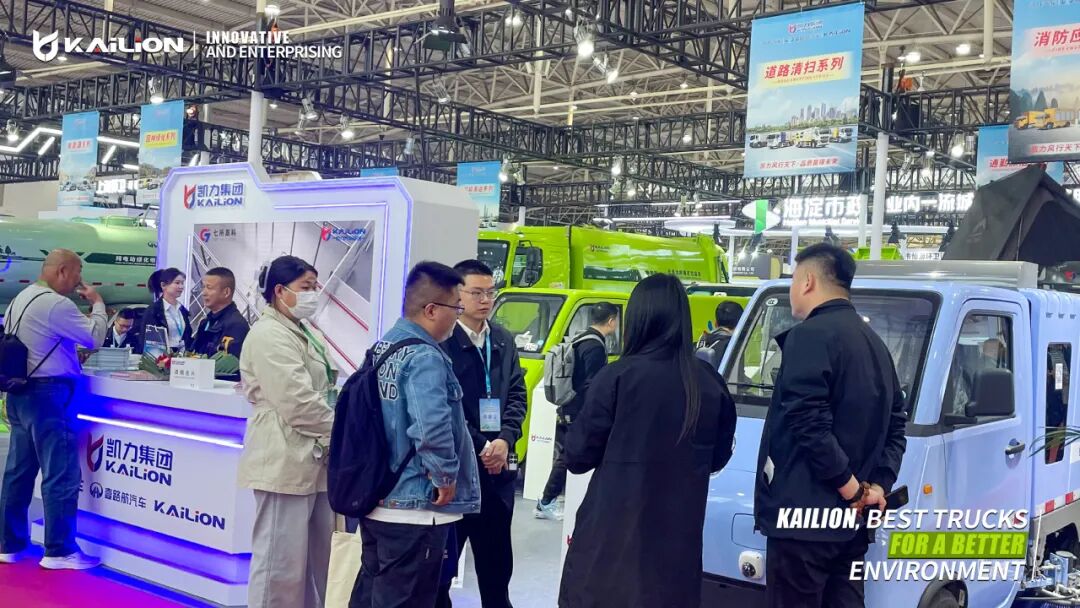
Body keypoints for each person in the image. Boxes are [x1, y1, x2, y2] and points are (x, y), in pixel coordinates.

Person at [558, 274, 737, 608]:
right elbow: (718, 457)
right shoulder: (709, 383)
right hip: (676, 551)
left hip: (611, 546)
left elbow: (577, 456)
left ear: (637, 318)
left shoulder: (616, 376)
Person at [754, 243, 907, 608]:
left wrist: (852, 490)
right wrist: (878, 486)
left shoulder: (809, 335)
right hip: (851, 526)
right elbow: (896, 425)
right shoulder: (875, 344)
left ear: (808, 281)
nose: (793, 288)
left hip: (803, 523)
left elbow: (808, 422)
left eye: (793, 278)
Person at [351, 261, 481, 608]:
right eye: (456, 308)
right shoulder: (425, 357)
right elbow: (430, 426)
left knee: (372, 595)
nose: (457, 317)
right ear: (431, 310)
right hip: (416, 503)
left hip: (378, 495)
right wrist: (445, 476)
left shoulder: (384, 347)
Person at [239, 256, 337, 608]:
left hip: (314, 456)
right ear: (280, 291)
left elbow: (323, 388)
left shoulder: (304, 329)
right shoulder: (268, 334)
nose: (313, 294)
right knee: (279, 564)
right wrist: (343, 431)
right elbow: (297, 401)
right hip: (283, 456)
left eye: (315, 287)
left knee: (315, 561)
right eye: (306, 287)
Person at [0, 249, 107, 570]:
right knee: (60, 473)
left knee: (18, 473)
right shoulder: (56, 304)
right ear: (62, 271)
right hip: (48, 396)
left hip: (20, 394)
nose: (79, 280)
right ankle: (60, 550)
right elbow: (94, 338)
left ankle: (10, 544)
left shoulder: (22, 297)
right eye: (77, 272)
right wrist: (98, 304)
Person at [436, 260, 527, 608]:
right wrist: (483, 445)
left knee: (496, 572)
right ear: (457, 294)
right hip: (458, 474)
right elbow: (447, 408)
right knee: (441, 574)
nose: (485, 300)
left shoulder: (502, 339)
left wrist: (505, 439)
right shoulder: (443, 342)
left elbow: (517, 394)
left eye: (490, 292)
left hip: (497, 472)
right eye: (476, 293)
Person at [536, 301, 619, 520]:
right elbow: (592, 384)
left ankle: (547, 501)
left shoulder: (580, 338)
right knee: (567, 457)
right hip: (578, 410)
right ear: (611, 321)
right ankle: (546, 501)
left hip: (568, 406)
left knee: (566, 455)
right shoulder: (595, 346)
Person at [192, 267, 250, 358]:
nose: (203, 293)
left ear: (226, 292)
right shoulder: (205, 322)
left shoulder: (236, 325)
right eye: (203, 287)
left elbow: (229, 362)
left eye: (209, 288)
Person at [138, 267, 193, 353]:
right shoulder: (153, 311)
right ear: (163, 285)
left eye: (182, 283)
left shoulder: (182, 311)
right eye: (177, 283)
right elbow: (146, 339)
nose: (181, 287)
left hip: (181, 356)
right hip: (160, 357)